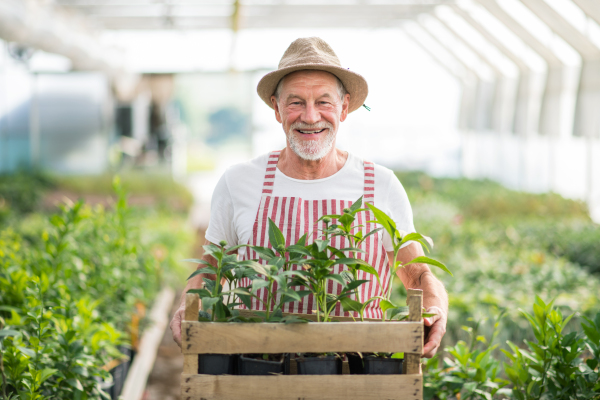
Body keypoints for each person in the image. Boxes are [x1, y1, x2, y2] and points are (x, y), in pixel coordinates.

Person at [170, 37, 448, 358]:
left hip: (360, 370)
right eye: (296, 102)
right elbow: (209, 268)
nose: (311, 117)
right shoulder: (240, 181)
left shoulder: (380, 184)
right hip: (259, 368)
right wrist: (186, 306)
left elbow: (415, 273)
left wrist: (434, 306)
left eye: (324, 102)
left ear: (344, 108)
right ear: (276, 108)